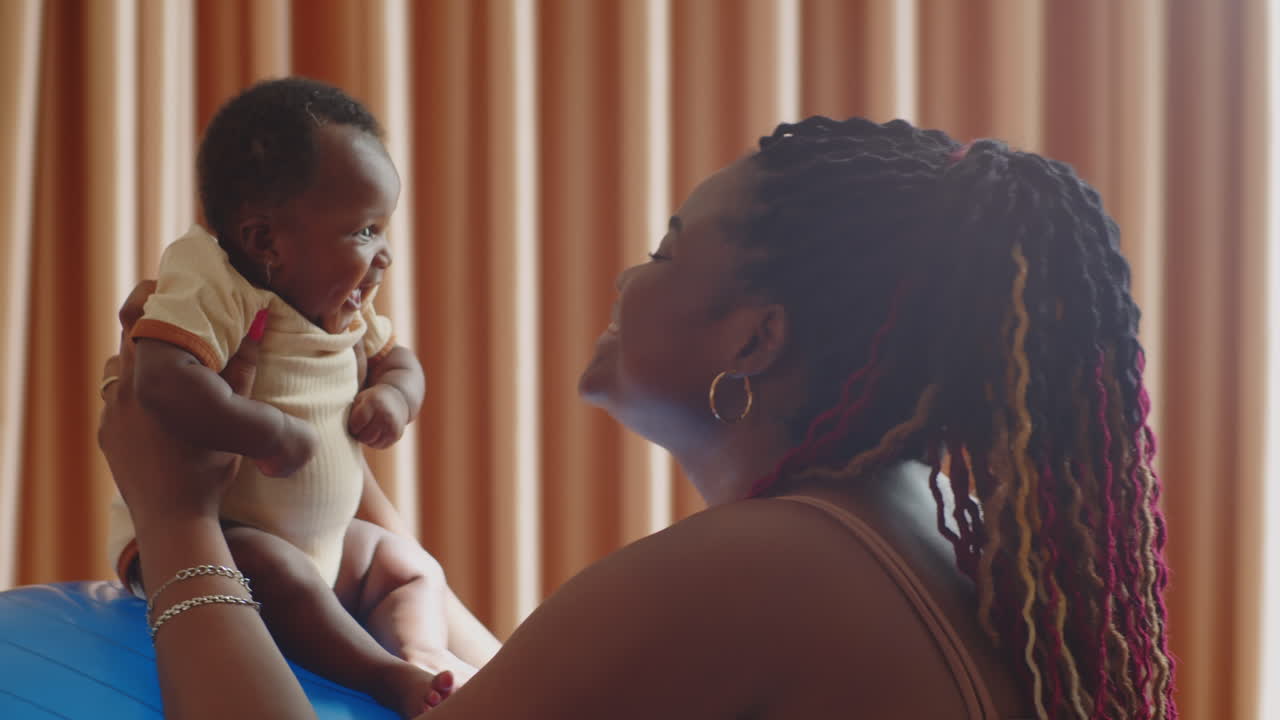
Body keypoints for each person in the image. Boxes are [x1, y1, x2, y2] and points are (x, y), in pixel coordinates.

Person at [99, 116, 1175, 719]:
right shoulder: (903, 534)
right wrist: (302, 371)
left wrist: (177, 516)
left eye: (665, 252)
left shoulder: (761, 566)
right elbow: (506, 683)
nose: (625, 276)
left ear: (754, 340)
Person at [105, 78, 497, 718]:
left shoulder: (342, 308)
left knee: (407, 564)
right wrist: (265, 431)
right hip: (232, 542)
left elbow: (397, 360)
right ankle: (384, 676)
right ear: (265, 242)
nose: (386, 256)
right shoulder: (214, 280)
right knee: (283, 577)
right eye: (366, 230)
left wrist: (396, 397)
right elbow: (160, 376)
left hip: (329, 544)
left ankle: (426, 655)